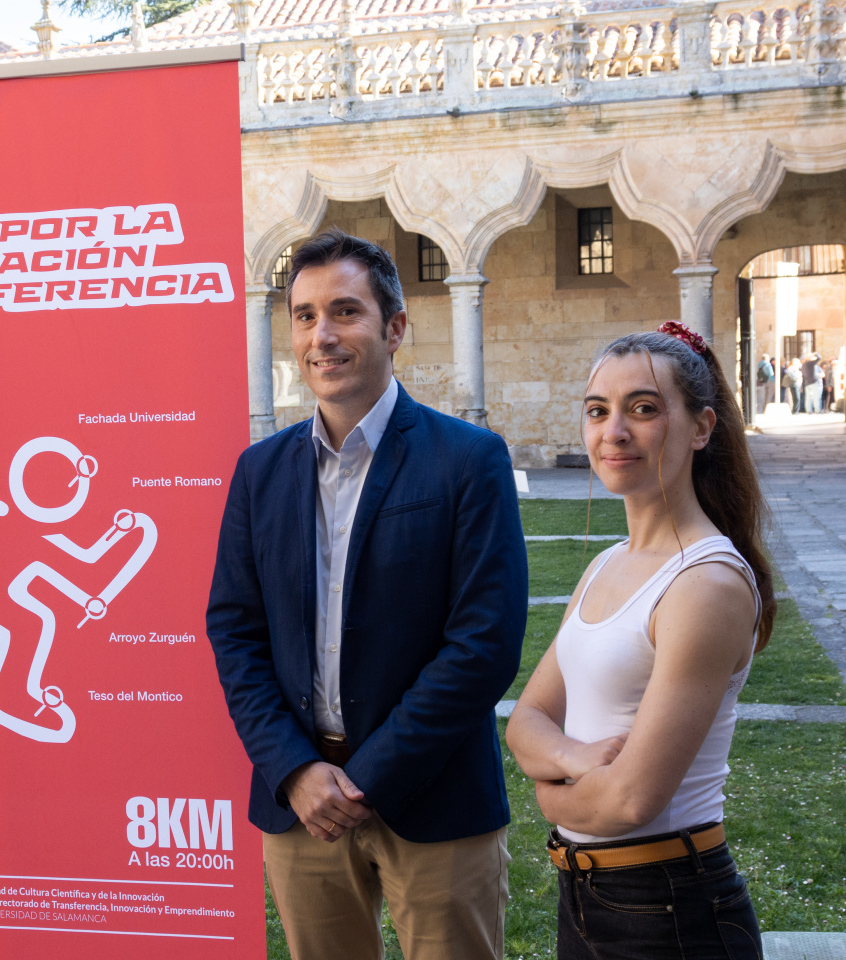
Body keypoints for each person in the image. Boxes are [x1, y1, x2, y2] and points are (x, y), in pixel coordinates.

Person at [206, 230, 526, 960]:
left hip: (434, 797)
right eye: (305, 314)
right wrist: (293, 770)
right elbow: (234, 630)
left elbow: (483, 644)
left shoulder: (468, 460)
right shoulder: (258, 472)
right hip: (300, 803)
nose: (323, 335)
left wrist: (365, 780)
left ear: (396, 327)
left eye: (346, 311)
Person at [506, 321, 773, 959]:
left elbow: (631, 799)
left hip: (671, 907)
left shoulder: (705, 582)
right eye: (598, 411)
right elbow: (526, 721)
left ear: (702, 428)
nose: (613, 431)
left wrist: (548, 792)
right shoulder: (606, 564)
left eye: (643, 409)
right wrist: (575, 761)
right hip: (593, 899)